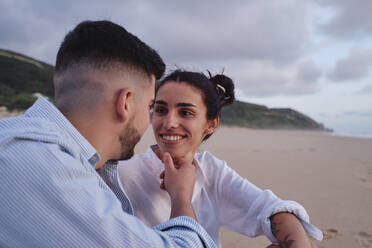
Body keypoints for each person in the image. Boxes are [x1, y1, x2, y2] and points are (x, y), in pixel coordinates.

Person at [0, 21, 216, 248]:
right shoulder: (45, 166)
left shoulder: (22, 141)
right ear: (125, 102)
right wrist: (182, 197)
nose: (151, 121)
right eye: (151, 107)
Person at [117, 70, 323, 247]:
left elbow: (270, 208)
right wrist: (181, 194)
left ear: (211, 124)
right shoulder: (124, 173)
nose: (169, 122)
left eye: (186, 112)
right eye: (161, 110)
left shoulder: (211, 170)